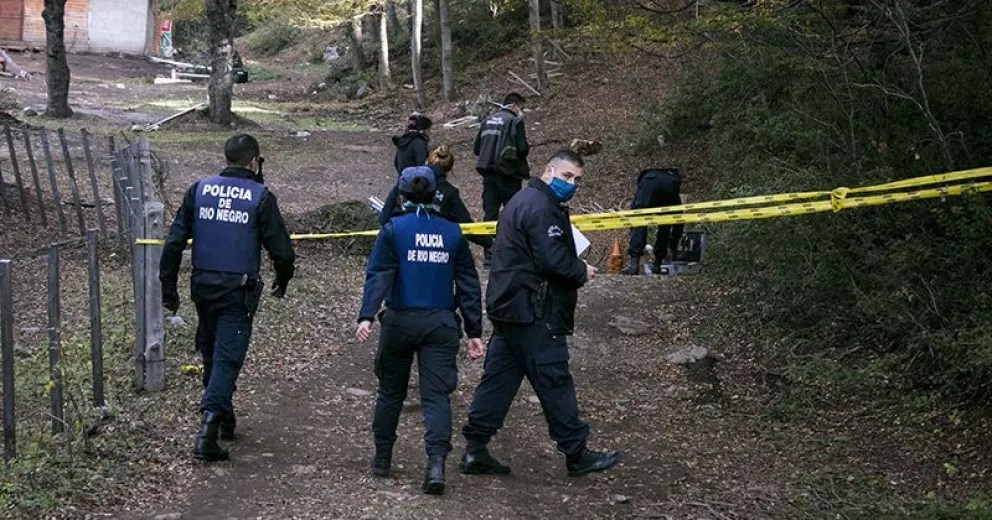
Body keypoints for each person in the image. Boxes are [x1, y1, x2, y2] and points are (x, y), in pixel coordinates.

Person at [459, 150, 622, 478]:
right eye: (566, 176)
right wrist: (580, 271)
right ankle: (576, 453)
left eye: (577, 180)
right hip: (534, 309)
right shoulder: (540, 207)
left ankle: (475, 449)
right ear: (548, 171)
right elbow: (551, 259)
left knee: (499, 379)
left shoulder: (522, 201)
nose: (572, 184)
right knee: (554, 380)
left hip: (509, 307)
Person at [160, 134, 295, 462]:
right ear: (254, 162)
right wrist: (283, 277)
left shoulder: (199, 190)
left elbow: (174, 242)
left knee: (212, 351)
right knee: (226, 358)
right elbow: (281, 249)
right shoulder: (260, 196)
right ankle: (208, 430)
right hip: (237, 289)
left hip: (202, 286)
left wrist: (169, 289)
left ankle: (224, 416)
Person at [357, 166, 486, 495]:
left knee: (390, 393)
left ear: (401, 195)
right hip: (441, 323)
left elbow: (379, 275)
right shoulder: (453, 233)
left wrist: (367, 315)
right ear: (434, 194)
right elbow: (469, 285)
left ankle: (382, 459)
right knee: (436, 397)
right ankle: (436, 465)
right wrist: (474, 331)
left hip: (399, 321)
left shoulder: (393, 230)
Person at [378, 145, 494, 250]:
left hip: (402, 237)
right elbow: (467, 226)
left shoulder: (405, 182)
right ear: (449, 168)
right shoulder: (449, 192)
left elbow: (385, 215)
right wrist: (490, 243)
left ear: (428, 160)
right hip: (435, 244)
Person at [474, 93, 530, 267]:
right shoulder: (515, 121)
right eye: (521, 107)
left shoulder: (488, 120)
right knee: (512, 213)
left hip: (488, 174)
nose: (521, 111)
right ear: (514, 106)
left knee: (490, 214)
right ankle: (511, 255)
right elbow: (522, 149)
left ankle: (490, 256)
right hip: (509, 175)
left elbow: (477, 149)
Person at [622, 168, 684, 275]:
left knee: (640, 219)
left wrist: (633, 229)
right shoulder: (669, 180)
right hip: (671, 184)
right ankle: (657, 264)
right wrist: (673, 245)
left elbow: (634, 213)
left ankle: (634, 265)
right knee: (665, 224)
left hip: (650, 181)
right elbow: (679, 218)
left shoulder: (647, 180)